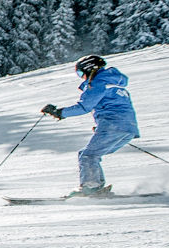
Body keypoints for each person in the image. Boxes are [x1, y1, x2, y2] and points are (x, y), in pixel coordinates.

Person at [41, 54, 140, 197]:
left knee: (88, 156)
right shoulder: (116, 84)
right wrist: (103, 125)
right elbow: (117, 107)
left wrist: (59, 112)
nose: (81, 77)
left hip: (113, 125)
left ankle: (91, 187)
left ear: (89, 69)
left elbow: (84, 107)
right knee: (88, 154)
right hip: (127, 127)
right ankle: (95, 186)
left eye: (81, 73)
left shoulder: (98, 82)